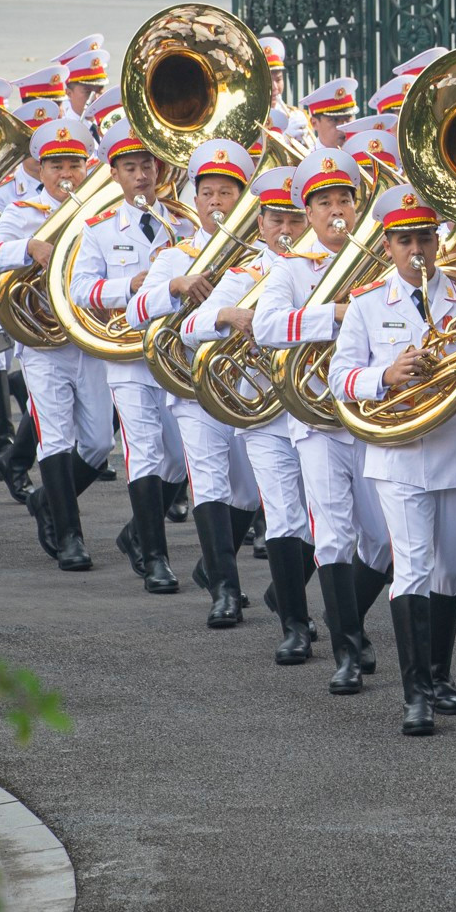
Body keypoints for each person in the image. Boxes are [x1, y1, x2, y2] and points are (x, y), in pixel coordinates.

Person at [331, 183, 456, 735]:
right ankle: (415, 696)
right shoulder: (364, 304)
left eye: (425, 239)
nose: (416, 251)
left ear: (438, 241)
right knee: (410, 565)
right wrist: (384, 376)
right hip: (401, 453)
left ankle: (439, 675)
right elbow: (340, 379)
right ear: (387, 245)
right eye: (405, 240)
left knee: (451, 568)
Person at [255, 147, 395, 694]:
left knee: (382, 543)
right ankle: (347, 652)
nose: (336, 212)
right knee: (334, 536)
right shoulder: (293, 268)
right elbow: (267, 325)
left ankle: (347, 624)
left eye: (345, 201)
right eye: (325, 203)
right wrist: (333, 314)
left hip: (371, 412)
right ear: (307, 213)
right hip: (315, 417)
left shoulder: (381, 263)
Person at [181, 164, 321, 663]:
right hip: (264, 408)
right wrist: (227, 314)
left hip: (320, 405)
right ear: (258, 223)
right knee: (285, 515)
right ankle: (295, 626)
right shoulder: (245, 273)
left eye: (294, 220)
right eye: (275, 220)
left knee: (326, 520)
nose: (285, 231)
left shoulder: (332, 268)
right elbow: (189, 327)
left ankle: (287, 595)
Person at [127, 139, 264, 629]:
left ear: (243, 198)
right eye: (206, 192)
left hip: (250, 386)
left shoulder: (266, 253)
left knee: (248, 492)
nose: (214, 202)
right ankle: (226, 590)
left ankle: (213, 566)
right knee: (209, 480)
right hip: (191, 384)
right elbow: (133, 311)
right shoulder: (175, 253)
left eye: (226, 192)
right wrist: (174, 287)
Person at [0, 119, 115, 569]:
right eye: (56, 166)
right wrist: (28, 246)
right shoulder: (22, 211)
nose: (65, 174)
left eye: (74, 164)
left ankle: (46, 503)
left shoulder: (98, 210)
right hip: (41, 340)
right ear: (41, 170)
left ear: (86, 166)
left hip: (87, 336)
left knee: (97, 443)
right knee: (55, 436)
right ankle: (71, 538)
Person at [70, 119, 199, 593]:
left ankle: (136, 534)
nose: (141, 175)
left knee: (179, 460)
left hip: (177, 354)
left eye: (147, 165)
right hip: (127, 357)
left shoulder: (185, 222)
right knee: (143, 452)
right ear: (115, 175)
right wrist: (130, 285)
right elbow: (80, 291)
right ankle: (157, 557)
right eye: (130, 167)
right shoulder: (100, 230)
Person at [298, 79, 360, 151]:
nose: (343, 126)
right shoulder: (308, 160)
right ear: (314, 123)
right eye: (335, 120)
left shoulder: (362, 158)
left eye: (348, 118)